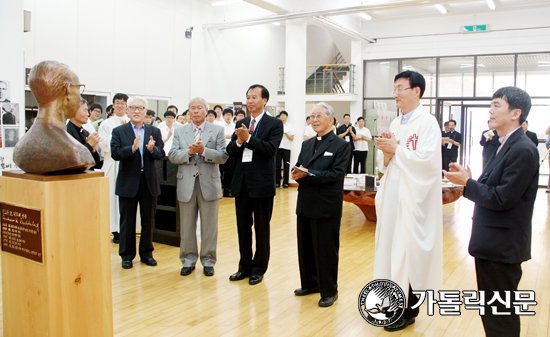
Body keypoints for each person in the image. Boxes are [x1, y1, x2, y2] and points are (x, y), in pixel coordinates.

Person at [443, 87, 538, 337]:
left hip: (502, 247)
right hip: (492, 243)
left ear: (516, 113)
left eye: (497, 105)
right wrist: (471, 180)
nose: (490, 110)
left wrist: (467, 184)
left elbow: (502, 198)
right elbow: (494, 188)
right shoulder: (503, 144)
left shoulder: (522, 149)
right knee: (492, 311)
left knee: (500, 315)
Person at [373, 70, 443, 332]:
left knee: (408, 251)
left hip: (414, 196)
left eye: (401, 88)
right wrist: (386, 152)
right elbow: (385, 164)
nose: (396, 94)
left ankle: (408, 310)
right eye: (394, 89)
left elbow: (428, 163)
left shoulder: (428, 123)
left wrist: (396, 150)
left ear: (416, 91)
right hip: (393, 193)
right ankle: (392, 301)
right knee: (391, 248)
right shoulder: (395, 123)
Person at [291, 102, 348, 308]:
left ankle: (329, 290)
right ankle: (310, 284)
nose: (314, 120)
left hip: (326, 205)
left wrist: (309, 174)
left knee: (325, 250)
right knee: (305, 248)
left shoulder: (341, 145)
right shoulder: (307, 144)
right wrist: (297, 174)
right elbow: (300, 168)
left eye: (319, 116)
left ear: (331, 120)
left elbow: (336, 174)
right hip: (305, 202)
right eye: (312, 116)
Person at [226, 84, 284, 285]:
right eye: (248, 97)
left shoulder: (274, 124)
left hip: (262, 184)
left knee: (261, 228)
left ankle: (259, 269)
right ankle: (244, 267)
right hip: (242, 183)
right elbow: (230, 150)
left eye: (254, 97)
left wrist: (249, 138)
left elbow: (270, 149)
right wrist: (240, 141)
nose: (250, 101)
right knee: (243, 227)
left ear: (264, 100)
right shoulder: (242, 122)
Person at [168, 97, 228, 277]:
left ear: (206, 111)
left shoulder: (217, 130)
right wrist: (189, 152)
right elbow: (172, 155)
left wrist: (203, 151)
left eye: (199, 108)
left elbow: (223, 156)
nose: (195, 111)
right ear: (188, 112)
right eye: (192, 108)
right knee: (186, 226)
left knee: (210, 226)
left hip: (209, 183)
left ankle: (208, 261)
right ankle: (188, 259)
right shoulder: (180, 131)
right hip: (186, 182)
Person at [111, 96, 165, 269]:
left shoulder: (154, 131)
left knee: (148, 219)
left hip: (148, 180)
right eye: (133, 107)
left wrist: (152, 149)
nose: (136, 111)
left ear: (145, 112)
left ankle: (146, 253)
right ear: (127, 110)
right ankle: (126, 255)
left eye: (140, 108)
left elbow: (161, 153)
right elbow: (115, 153)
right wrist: (132, 149)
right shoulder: (119, 131)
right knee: (127, 220)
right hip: (128, 181)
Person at [13, 60, 95, 174]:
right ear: (67, 90)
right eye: (78, 89)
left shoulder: (20, 148)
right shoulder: (76, 152)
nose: (80, 98)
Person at [98, 93, 130, 243]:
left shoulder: (131, 122)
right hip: (112, 163)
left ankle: (127, 228)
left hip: (128, 164)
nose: (120, 105)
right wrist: (119, 136)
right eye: (117, 103)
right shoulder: (106, 124)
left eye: (123, 103)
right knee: (112, 197)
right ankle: (114, 229)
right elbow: (104, 144)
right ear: (113, 105)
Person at [67, 99, 101, 168]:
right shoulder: (66, 133)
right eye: (84, 110)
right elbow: (73, 159)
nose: (87, 114)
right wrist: (89, 145)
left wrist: (93, 150)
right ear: (73, 111)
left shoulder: (85, 133)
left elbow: (96, 164)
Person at [275, 111, 294, 188]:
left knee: (287, 166)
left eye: (284, 115)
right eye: (281, 115)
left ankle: (286, 182)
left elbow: (292, 138)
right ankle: (277, 182)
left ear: (287, 116)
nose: (283, 117)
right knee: (277, 166)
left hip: (287, 148)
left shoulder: (290, 126)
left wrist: (285, 133)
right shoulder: (277, 125)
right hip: (278, 147)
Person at [221, 108, 235, 197]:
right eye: (226, 115)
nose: (228, 117)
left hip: (232, 151)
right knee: (220, 172)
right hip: (222, 151)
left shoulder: (234, 126)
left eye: (230, 115)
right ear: (223, 116)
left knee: (230, 172)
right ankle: (218, 191)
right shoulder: (219, 126)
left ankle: (227, 191)